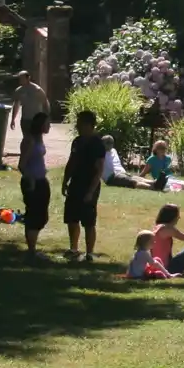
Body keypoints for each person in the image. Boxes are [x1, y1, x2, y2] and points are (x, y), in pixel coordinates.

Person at [61, 110, 104, 262]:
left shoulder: (97, 144)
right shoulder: (77, 141)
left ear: (88, 124)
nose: (77, 125)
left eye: (80, 122)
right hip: (75, 183)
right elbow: (71, 161)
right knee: (72, 218)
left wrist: (91, 191)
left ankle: (89, 253)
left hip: (89, 185)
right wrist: (65, 180)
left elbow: (99, 169)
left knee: (88, 221)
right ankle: (73, 249)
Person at [17, 113, 50, 257]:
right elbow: (22, 165)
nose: (49, 126)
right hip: (33, 182)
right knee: (34, 215)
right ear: (41, 124)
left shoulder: (39, 139)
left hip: (41, 180)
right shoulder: (29, 140)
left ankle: (32, 249)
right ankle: (31, 250)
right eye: (47, 123)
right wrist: (30, 180)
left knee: (41, 215)